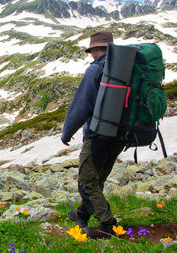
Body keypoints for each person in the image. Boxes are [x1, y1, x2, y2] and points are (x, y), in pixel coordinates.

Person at [61, 29, 125, 239]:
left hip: (98, 135)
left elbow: (81, 105)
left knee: (87, 181)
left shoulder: (95, 70)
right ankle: (81, 213)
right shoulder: (126, 68)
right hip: (121, 135)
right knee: (98, 178)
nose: (91, 55)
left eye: (91, 51)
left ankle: (107, 225)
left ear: (97, 49)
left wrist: (67, 132)